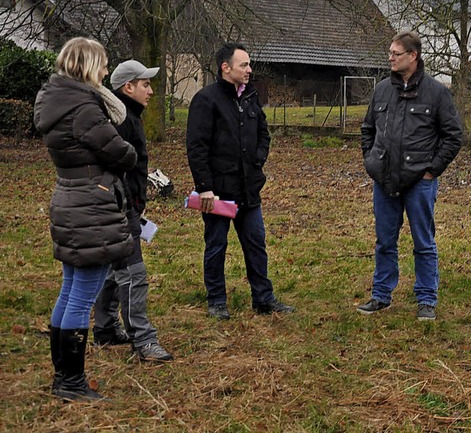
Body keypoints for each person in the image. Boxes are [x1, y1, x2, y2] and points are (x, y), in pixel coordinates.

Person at [34, 37, 137, 401]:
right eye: (104, 64)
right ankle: (71, 382)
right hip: (90, 206)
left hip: (69, 199)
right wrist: (129, 150)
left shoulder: (55, 101)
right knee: (82, 295)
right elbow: (123, 154)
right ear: (89, 65)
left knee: (70, 289)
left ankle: (64, 377)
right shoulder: (85, 109)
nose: (107, 70)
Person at [358, 31, 463, 320]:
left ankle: (427, 298)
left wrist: (432, 170)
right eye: (390, 52)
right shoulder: (381, 90)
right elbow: (368, 129)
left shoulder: (437, 93)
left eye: (396, 53)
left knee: (423, 242)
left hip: (420, 182)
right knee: (384, 241)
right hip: (384, 180)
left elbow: (453, 136)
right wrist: (371, 160)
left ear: (413, 56)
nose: (390, 57)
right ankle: (381, 295)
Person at [186, 43, 294, 320]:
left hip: (249, 189)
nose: (249, 69)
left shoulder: (250, 97)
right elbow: (196, 147)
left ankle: (263, 299)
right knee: (216, 246)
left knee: (256, 244)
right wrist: (204, 188)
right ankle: (217, 301)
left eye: (249, 64)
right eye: (244, 65)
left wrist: (257, 160)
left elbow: (263, 134)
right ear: (226, 67)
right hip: (219, 193)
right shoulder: (206, 100)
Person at [93, 60, 173, 362]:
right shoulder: (121, 119)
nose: (151, 91)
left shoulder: (128, 116)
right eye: (145, 84)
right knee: (133, 273)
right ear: (128, 87)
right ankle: (144, 341)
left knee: (115, 271)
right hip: (118, 209)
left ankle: (105, 328)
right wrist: (128, 206)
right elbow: (117, 169)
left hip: (124, 207)